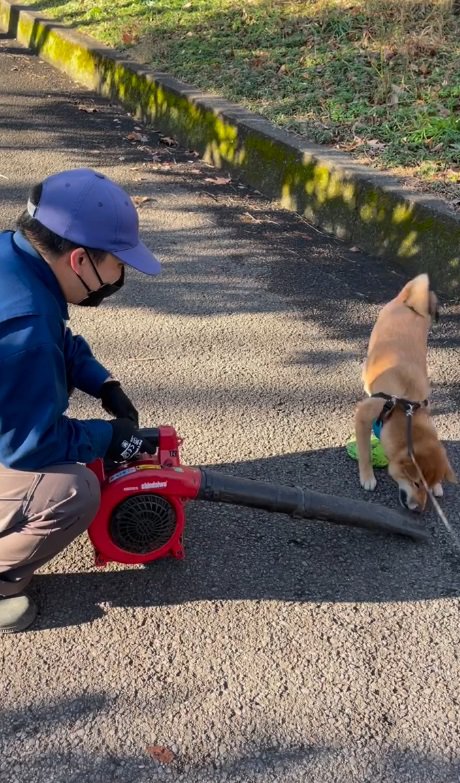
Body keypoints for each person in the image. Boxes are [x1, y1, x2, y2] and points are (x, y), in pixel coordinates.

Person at [0, 168, 161, 633]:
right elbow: (31, 445)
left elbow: (59, 340)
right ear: (80, 261)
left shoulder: (15, 259)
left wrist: (104, 384)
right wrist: (107, 437)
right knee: (71, 491)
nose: (120, 276)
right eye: (118, 263)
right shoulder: (25, 328)